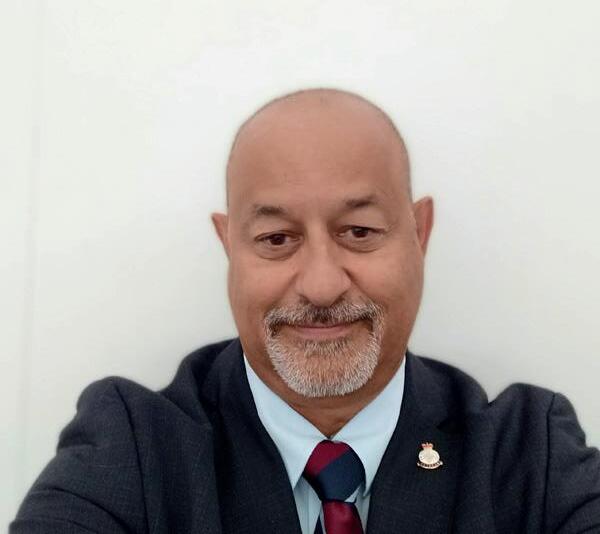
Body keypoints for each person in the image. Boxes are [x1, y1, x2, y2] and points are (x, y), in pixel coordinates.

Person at [11, 89, 600, 534]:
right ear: (229, 247)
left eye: (359, 231)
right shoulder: (132, 448)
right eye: (276, 239)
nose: (321, 286)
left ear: (419, 234)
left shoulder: (529, 454)